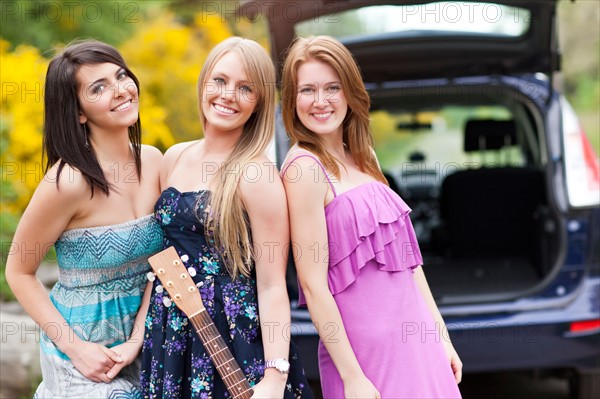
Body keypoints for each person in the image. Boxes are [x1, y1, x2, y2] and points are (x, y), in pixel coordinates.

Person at [280, 35, 463, 398]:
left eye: (332, 87)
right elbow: (314, 288)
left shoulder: (365, 158)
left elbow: (409, 266)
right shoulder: (304, 170)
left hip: (418, 343)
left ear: (350, 92)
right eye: (307, 90)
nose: (320, 101)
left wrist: (441, 336)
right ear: (292, 99)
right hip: (364, 361)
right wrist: (353, 378)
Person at [140, 37, 312, 399]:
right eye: (219, 80)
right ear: (203, 83)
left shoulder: (256, 175)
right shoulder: (174, 157)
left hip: (234, 338)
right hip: (170, 331)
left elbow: (271, 285)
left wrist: (275, 377)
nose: (228, 94)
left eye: (245, 87)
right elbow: (158, 261)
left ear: (259, 103)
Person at [5, 40, 164, 398]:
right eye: (99, 87)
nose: (121, 90)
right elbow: (18, 271)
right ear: (78, 112)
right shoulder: (68, 183)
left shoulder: (155, 162)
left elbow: (164, 262)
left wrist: (138, 338)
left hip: (149, 342)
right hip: (84, 357)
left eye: (121, 77)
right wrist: (77, 349)